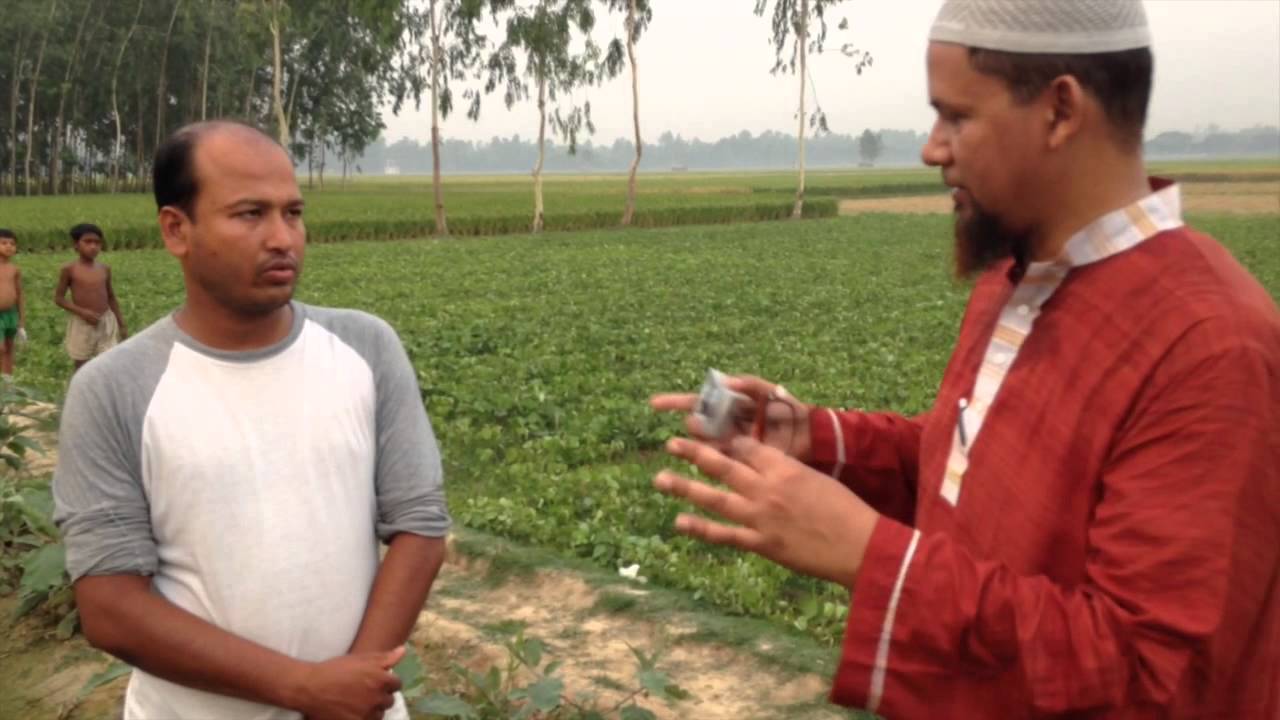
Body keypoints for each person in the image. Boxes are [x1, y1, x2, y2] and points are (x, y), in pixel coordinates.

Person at [650, 1, 1279, 717]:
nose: (931, 148)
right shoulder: (1016, 278)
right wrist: (816, 438)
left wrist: (874, 557)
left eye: (956, 116)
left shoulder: (1211, 346)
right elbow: (967, 476)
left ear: (1060, 111)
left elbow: (1153, 680)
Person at [52, 120, 451, 720]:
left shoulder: (365, 346)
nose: (282, 237)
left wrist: (347, 689)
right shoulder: (114, 388)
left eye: (293, 213)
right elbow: (110, 606)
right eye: (249, 214)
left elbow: (420, 528)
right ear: (175, 229)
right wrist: (302, 688)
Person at [54, 223, 129, 372]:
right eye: (87, 242)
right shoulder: (69, 269)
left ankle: (105, 392)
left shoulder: (104, 269)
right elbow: (59, 298)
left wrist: (121, 324)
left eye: (97, 242)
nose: (93, 246)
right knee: (81, 364)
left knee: (108, 361)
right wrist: (83, 312)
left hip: (106, 320)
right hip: (82, 322)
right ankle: (81, 393)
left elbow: (111, 297)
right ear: (76, 245)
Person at [0, 228, 27, 379]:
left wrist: (21, 322)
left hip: (11, 314)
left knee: (9, 348)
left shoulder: (14, 269)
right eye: (4, 243)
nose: (9, 246)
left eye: (12, 243)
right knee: (0, 348)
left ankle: (7, 383)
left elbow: (20, 294)